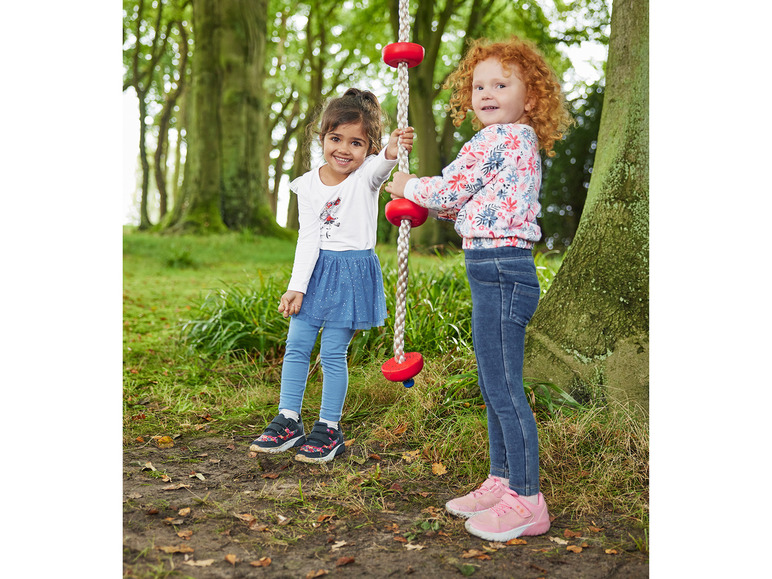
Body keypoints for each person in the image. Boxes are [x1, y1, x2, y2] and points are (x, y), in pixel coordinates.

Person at [385, 37, 572, 541]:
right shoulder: (513, 142)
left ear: (531, 97)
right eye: (479, 85)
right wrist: (432, 197)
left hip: (502, 269)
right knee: (494, 383)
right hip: (492, 266)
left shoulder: (502, 139)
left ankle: (528, 498)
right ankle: (501, 480)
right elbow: (465, 201)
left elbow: (448, 190)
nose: (486, 92)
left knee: (505, 386)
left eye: (501, 84)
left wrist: (406, 187)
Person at [251, 88, 414, 464]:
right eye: (335, 138)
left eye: (356, 143)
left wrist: (392, 148)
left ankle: (329, 428)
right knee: (296, 345)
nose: (344, 149)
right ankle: (289, 419)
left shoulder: (365, 177)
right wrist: (296, 286)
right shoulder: (307, 185)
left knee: (332, 352)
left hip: (352, 273)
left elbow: (383, 163)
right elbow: (307, 237)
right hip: (317, 271)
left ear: (367, 147)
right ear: (322, 137)